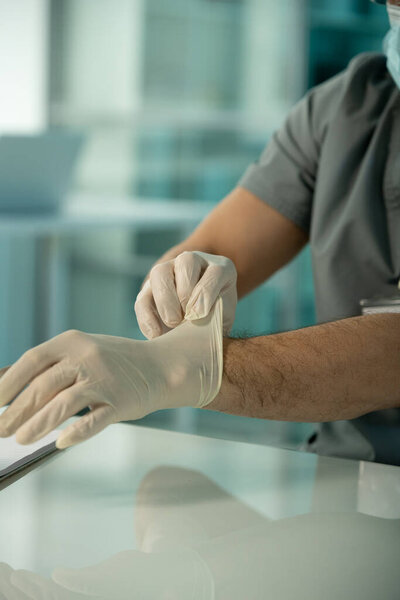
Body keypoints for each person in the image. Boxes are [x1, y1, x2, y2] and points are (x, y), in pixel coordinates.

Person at [0, 0, 399, 464]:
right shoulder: (345, 109)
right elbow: (216, 246)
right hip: (342, 472)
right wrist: (182, 281)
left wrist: (179, 367)